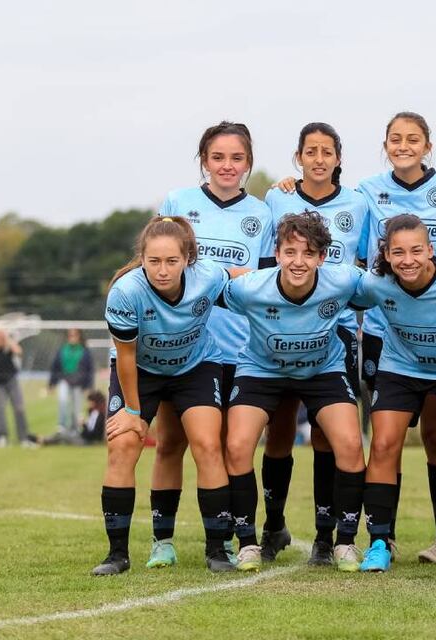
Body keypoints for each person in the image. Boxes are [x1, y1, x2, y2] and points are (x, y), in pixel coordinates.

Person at [146, 122, 276, 571]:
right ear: (203, 160)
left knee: (228, 448)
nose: (227, 166)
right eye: (218, 157)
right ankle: (162, 540)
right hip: (183, 348)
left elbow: (264, 283)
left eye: (236, 158)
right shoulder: (178, 203)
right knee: (170, 443)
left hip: (238, 349)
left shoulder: (261, 213)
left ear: (248, 164)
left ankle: (235, 540)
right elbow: (155, 267)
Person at [93, 216, 239, 576]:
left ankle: (218, 550)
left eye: (171, 261)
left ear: (188, 259)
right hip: (140, 371)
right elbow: (125, 358)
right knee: (124, 444)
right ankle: (117, 555)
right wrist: (131, 410)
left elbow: (241, 276)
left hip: (196, 366)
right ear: (142, 258)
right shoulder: (125, 292)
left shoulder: (207, 276)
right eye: (153, 261)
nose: (162, 270)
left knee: (207, 445)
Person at [221, 212, 367, 573]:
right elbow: (203, 285)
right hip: (262, 370)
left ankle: (344, 541)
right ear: (276, 253)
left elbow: (391, 284)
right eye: (289, 252)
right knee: (238, 445)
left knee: (349, 444)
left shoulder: (344, 281)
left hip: (323, 370)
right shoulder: (250, 287)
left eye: (308, 253)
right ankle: (249, 542)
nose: (298, 262)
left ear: (322, 257)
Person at [355, 112, 436, 564]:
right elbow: (357, 253)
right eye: (396, 139)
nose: (404, 145)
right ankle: (383, 539)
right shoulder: (365, 191)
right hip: (385, 333)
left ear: (428, 145)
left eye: (413, 139)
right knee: (386, 440)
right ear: (385, 145)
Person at [352, 214, 436, 574]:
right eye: (398, 252)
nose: (408, 260)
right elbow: (335, 285)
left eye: (416, 250)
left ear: (432, 250)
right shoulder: (377, 284)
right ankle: (380, 543)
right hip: (402, 369)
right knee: (382, 445)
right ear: (386, 254)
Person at [264, 123, 370, 566]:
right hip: (282, 328)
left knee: (329, 435)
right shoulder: (277, 198)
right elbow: (265, 259)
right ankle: (273, 526)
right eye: (311, 151)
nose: (319, 158)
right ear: (299, 157)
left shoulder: (358, 205)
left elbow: (365, 265)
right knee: (280, 429)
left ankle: (327, 538)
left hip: (335, 332)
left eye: (328, 151)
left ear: (339, 159)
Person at [48, 328, 95, 437]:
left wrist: (89, 386)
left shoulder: (84, 351)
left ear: (79, 336)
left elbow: (90, 370)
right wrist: (51, 383)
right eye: (70, 335)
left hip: (78, 383)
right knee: (63, 401)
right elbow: (55, 367)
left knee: (76, 407)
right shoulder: (62, 350)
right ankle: (62, 426)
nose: (72, 337)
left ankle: (75, 428)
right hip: (64, 380)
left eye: (74, 335)